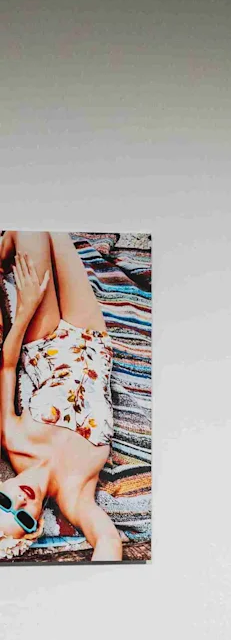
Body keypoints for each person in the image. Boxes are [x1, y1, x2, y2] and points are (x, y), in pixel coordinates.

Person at [0, 231, 122, 561]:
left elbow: (8, 369)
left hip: (44, 342)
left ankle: (7, 247)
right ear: (36, 526)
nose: (21, 502)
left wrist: (25, 310)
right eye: (23, 517)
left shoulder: (14, 441)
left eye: (4, 503)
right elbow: (108, 541)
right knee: (53, 229)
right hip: (93, 342)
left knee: (32, 230)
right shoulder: (75, 495)